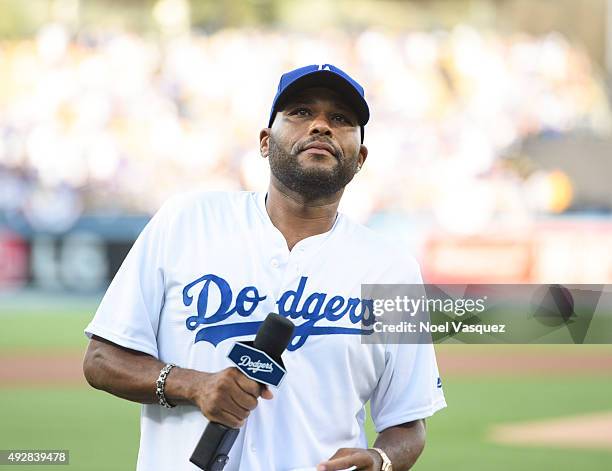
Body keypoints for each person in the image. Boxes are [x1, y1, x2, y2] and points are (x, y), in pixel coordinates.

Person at [83, 64, 446, 471]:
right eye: (301, 112)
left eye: (340, 119)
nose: (321, 127)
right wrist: (193, 384)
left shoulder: (394, 269)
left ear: (360, 158)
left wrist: (381, 460)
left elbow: (409, 423)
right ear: (263, 141)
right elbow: (100, 360)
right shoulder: (186, 220)